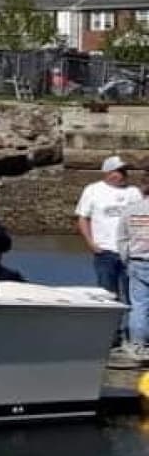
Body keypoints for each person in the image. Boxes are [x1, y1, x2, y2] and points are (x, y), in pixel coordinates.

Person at [76, 155, 142, 303]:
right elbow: (83, 218)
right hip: (104, 253)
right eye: (119, 171)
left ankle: (133, 319)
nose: (123, 174)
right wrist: (91, 243)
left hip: (131, 253)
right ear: (108, 172)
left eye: (124, 171)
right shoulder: (92, 190)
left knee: (135, 297)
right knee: (107, 296)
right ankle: (113, 319)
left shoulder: (134, 192)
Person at [117, 192, 149, 362]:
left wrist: (126, 260)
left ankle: (138, 345)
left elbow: (122, 239)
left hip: (138, 262)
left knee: (139, 306)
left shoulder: (130, 210)